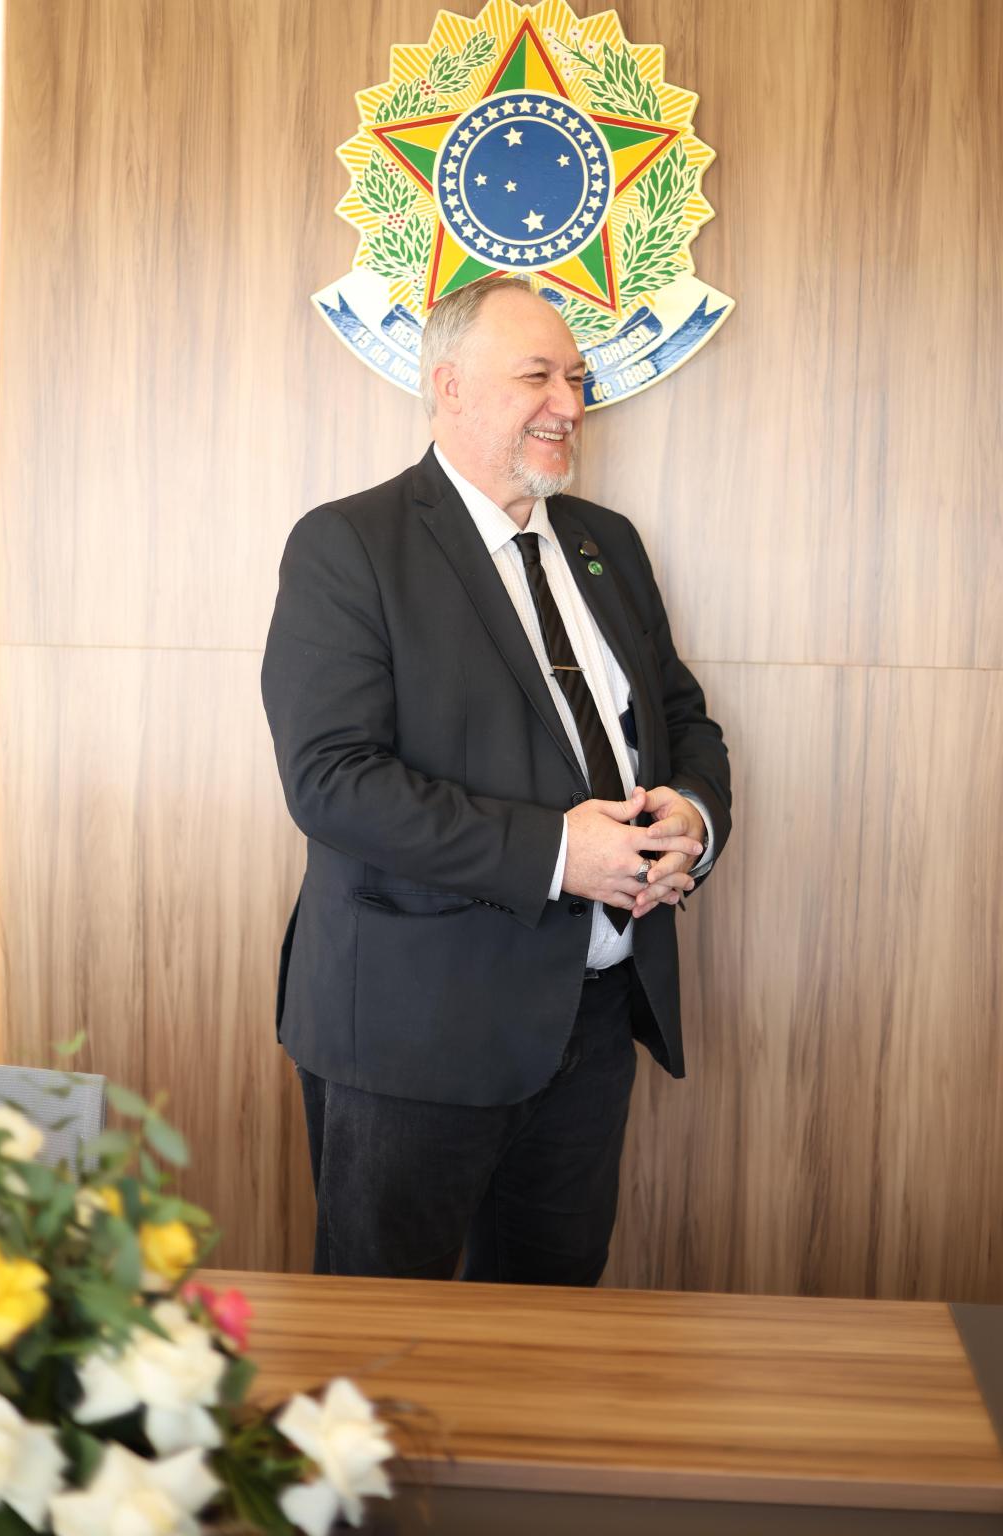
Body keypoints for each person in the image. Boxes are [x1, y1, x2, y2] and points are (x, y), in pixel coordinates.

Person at [262, 276, 730, 1285]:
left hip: (590, 1020)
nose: (569, 403)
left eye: (576, 378)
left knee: (548, 1327)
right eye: (537, 377)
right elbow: (331, 780)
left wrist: (690, 817)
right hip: (414, 1032)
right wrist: (563, 853)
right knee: (384, 1341)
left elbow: (682, 720)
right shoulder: (350, 545)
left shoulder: (609, 545)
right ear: (450, 386)